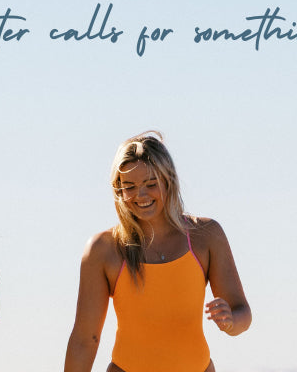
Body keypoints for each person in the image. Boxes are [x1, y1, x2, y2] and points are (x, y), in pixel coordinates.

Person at [64, 132, 253, 372]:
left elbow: (242, 312)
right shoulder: (103, 249)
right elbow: (84, 340)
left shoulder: (206, 235)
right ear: (118, 190)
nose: (140, 195)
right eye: (129, 187)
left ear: (169, 181)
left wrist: (230, 322)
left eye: (150, 184)